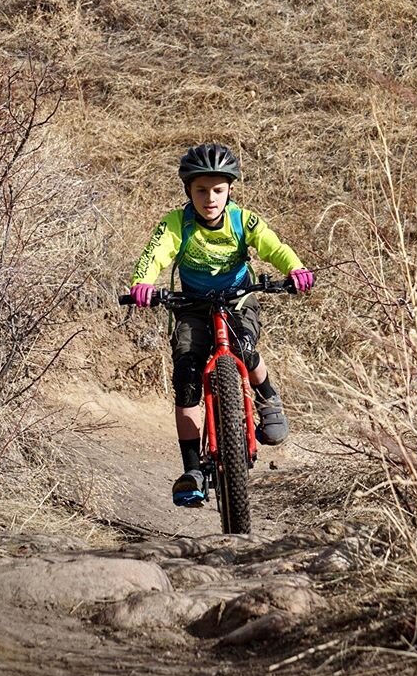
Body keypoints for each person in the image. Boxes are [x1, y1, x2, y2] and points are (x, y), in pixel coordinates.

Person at [129, 143, 315, 507]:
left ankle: (268, 399)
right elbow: (156, 254)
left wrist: (295, 269)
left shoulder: (243, 221)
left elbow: (273, 246)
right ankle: (193, 469)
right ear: (188, 191)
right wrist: (142, 284)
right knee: (186, 375)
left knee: (244, 347)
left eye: (217, 189)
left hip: (238, 300)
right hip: (193, 307)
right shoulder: (175, 224)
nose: (209, 198)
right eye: (201, 190)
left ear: (230, 190)